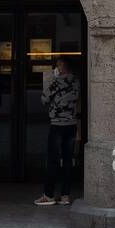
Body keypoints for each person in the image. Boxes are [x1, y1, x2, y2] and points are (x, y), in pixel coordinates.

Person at [34, 57, 80, 206]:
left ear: (62, 67)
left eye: (58, 65)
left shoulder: (55, 82)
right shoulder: (76, 82)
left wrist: (51, 80)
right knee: (68, 160)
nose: (56, 67)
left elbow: (44, 100)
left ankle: (49, 195)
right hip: (72, 124)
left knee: (53, 160)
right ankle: (65, 195)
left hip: (57, 124)